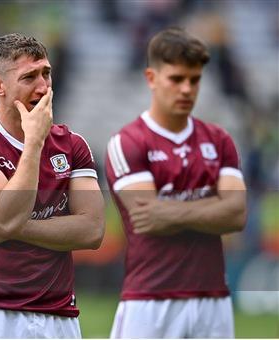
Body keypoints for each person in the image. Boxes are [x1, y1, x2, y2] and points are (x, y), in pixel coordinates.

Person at [0, 33, 105, 338]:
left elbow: (92, 231)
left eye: (46, 73)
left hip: (60, 316)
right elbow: (5, 216)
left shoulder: (73, 145)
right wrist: (33, 144)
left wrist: (10, 227)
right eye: (29, 77)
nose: (43, 87)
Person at [105, 27, 247, 338]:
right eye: (176, 79)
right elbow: (148, 218)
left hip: (213, 299)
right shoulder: (128, 142)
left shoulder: (219, 139)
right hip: (150, 300)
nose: (187, 89)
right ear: (152, 78)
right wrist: (212, 207)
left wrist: (169, 209)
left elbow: (236, 214)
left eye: (194, 80)